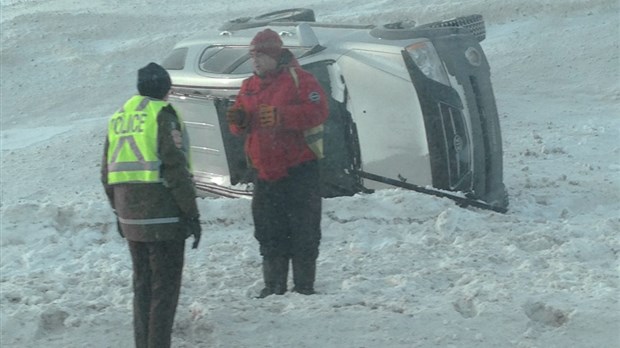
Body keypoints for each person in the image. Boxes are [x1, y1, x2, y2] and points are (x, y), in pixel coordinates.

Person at [100, 62, 201, 348]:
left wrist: (120, 212)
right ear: (165, 89)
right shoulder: (162, 114)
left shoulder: (119, 118)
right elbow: (175, 168)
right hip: (163, 217)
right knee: (164, 291)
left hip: (131, 218)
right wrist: (191, 213)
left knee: (142, 287)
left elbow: (106, 173)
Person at [227, 28, 329, 297]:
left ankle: (304, 286)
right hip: (264, 172)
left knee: (303, 229)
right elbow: (240, 124)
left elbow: (319, 111)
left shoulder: (300, 80)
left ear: (274, 56)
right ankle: (273, 285)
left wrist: (282, 116)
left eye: (260, 55)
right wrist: (238, 121)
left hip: (299, 170)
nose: (255, 61)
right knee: (269, 230)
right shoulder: (248, 86)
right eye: (252, 56)